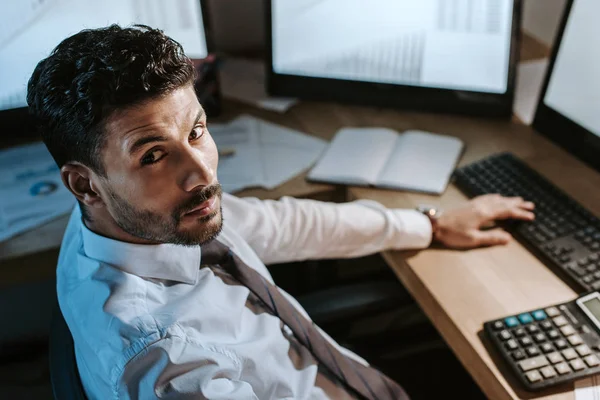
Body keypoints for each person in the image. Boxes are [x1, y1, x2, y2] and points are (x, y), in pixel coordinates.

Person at [28, 25, 535, 399]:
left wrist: (429, 223)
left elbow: (281, 223)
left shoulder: (126, 220)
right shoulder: (168, 370)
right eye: (153, 155)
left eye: (197, 132)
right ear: (83, 183)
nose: (200, 173)